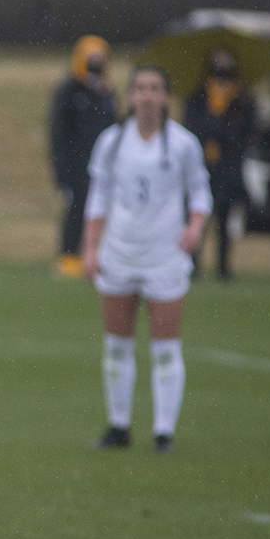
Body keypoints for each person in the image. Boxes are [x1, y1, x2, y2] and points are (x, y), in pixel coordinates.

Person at [82, 64, 211, 454]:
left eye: (155, 88)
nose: (147, 95)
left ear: (166, 96)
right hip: (120, 251)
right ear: (130, 95)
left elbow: (200, 193)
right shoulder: (112, 141)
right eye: (140, 88)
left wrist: (195, 227)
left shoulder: (184, 144)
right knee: (117, 345)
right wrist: (90, 246)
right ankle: (119, 427)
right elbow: (98, 195)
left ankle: (163, 433)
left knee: (165, 348)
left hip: (164, 256)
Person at [183, 50, 255, 280]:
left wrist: (222, 126)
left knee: (225, 220)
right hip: (203, 165)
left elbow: (246, 132)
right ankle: (193, 266)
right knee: (198, 216)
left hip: (230, 167)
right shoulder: (198, 95)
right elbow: (192, 127)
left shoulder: (242, 98)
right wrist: (215, 125)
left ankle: (223, 268)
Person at [50, 36, 118, 278]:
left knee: (102, 212)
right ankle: (68, 258)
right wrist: (62, 172)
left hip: (103, 165)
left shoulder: (107, 93)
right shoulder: (69, 91)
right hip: (77, 165)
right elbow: (58, 133)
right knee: (76, 209)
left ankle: (98, 256)